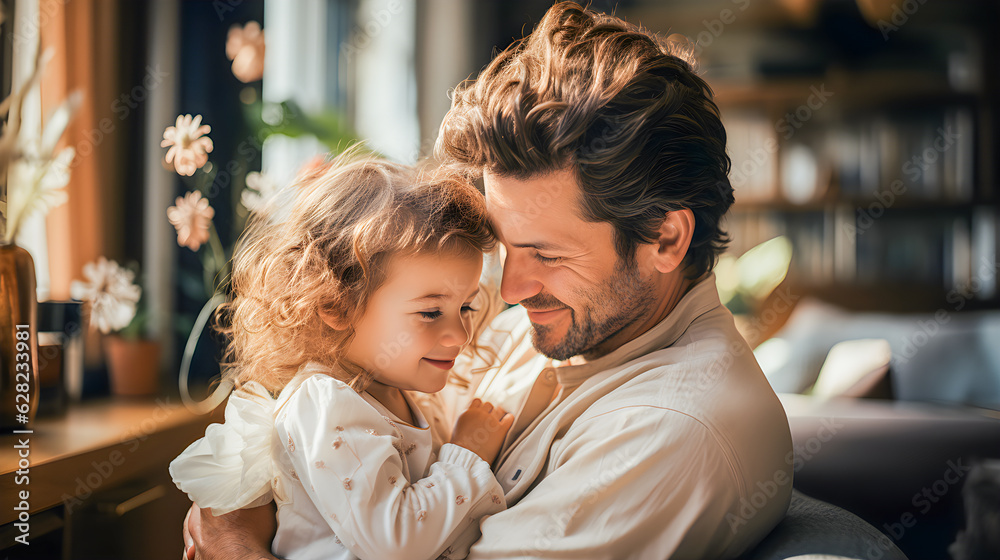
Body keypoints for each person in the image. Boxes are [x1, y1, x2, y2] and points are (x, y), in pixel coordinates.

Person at [182, 3, 793, 558]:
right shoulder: (552, 330)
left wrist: (236, 547)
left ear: (665, 239)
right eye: (506, 248)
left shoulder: (668, 433)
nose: (512, 289)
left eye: (547, 255)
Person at [169, 149, 518, 560]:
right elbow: (394, 541)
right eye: (430, 312)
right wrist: (469, 454)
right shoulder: (324, 405)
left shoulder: (400, 393)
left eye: (466, 307)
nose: (459, 333)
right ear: (336, 305)